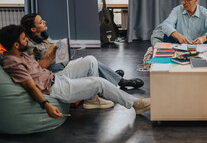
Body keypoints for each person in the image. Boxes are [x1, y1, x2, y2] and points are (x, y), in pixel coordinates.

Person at [0, 25, 150, 118]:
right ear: (15, 44)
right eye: (24, 39)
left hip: (55, 77)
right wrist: (46, 105)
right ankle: (136, 104)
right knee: (99, 83)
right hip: (53, 88)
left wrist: (51, 56)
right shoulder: (12, 62)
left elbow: (38, 67)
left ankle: (92, 99)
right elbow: (31, 86)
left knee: (90, 60)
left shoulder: (20, 53)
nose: (26, 40)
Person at [20, 13, 144, 109]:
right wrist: (50, 54)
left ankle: (109, 83)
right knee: (91, 62)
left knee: (91, 60)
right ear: (32, 29)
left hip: (63, 65)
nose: (44, 22)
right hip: (55, 73)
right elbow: (36, 68)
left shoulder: (43, 36)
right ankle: (114, 82)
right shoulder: (28, 45)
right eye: (41, 22)